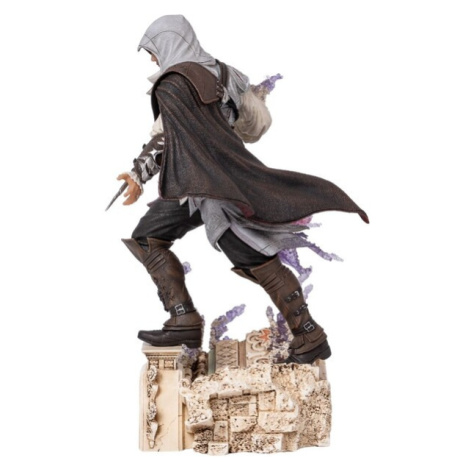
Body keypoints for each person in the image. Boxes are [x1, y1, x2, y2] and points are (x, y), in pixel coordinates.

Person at [117, 15, 368, 364]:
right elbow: (258, 123)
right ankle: (182, 319)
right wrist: (228, 126)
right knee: (148, 237)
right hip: (193, 185)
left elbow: (167, 140)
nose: (152, 58)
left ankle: (309, 334)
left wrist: (138, 173)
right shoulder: (227, 74)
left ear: (168, 42)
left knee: (255, 258)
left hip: (220, 190)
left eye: (153, 50)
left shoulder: (173, 84)